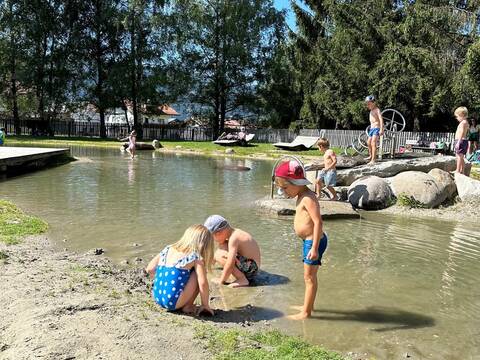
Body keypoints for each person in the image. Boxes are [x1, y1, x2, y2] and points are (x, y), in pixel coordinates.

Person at [274, 160, 327, 320]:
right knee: (309, 277)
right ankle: (307, 305)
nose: (283, 191)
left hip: (313, 242)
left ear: (297, 183)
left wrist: (314, 248)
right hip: (309, 241)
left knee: (309, 278)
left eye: (285, 187)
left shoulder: (308, 198)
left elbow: (318, 222)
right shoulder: (301, 195)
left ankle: (306, 313)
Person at [145, 224, 215, 315]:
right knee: (198, 274)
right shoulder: (195, 256)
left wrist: (166, 277)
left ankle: (174, 298)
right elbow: (203, 283)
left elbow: (150, 269)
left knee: (180, 272)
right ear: (204, 246)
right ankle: (188, 306)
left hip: (157, 297)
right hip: (173, 302)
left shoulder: (168, 248)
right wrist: (205, 305)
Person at [204, 215, 261, 288]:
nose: (214, 240)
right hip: (252, 266)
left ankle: (242, 279)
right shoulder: (235, 233)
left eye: (213, 237)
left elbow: (230, 263)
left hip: (251, 270)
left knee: (220, 255)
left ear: (218, 233)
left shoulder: (233, 239)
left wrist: (221, 280)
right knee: (222, 246)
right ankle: (209, 263)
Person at [365, 95, 384, 164]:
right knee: (368, 142)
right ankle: (370, 155)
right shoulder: (371, 111)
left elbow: (381, 120)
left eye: (369, 103)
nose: (368, 105)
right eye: (367, 104)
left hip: (376, 128)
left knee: (373, 143)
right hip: (372, 129)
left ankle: (373, 159)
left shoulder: (377, 110)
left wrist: (381, 129)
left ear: (373, 103)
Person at [454, 107, 469, 174]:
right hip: (462, 141)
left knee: (459, 156)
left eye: (457, 116)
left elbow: (462, 132)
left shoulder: (463, 123)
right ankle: (462, 170)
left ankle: (457, 170)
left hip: (461, 141)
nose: (456, 118)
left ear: (462, 115)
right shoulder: (465, 122)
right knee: (461, 156)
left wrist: (458, 142)